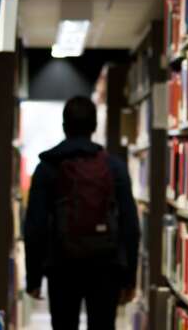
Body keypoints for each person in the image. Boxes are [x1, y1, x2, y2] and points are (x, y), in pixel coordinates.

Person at [24, 96, 141, 330]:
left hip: (61, 266)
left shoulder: (47, 167)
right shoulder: (114, 166)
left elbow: (34, 225)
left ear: (64, 126)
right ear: (95, 126)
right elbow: (130, 224)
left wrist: (34, 278)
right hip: (106, 266)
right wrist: (129, 279)